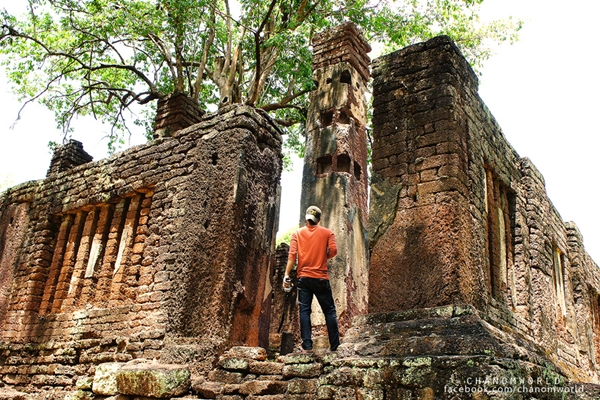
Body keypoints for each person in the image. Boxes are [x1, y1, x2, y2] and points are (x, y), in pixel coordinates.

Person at [283, 205, 340, 352]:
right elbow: (333, 251)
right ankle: (335, 347)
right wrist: (323, 257)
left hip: (304, 278)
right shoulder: (328, 233)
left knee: (304, 311)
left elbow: (292, 255)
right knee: (329, 312)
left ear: (306, 218)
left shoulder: (297, 233)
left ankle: (307, 346)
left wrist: (286, 274)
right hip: (321, 277)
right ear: (319, 220)